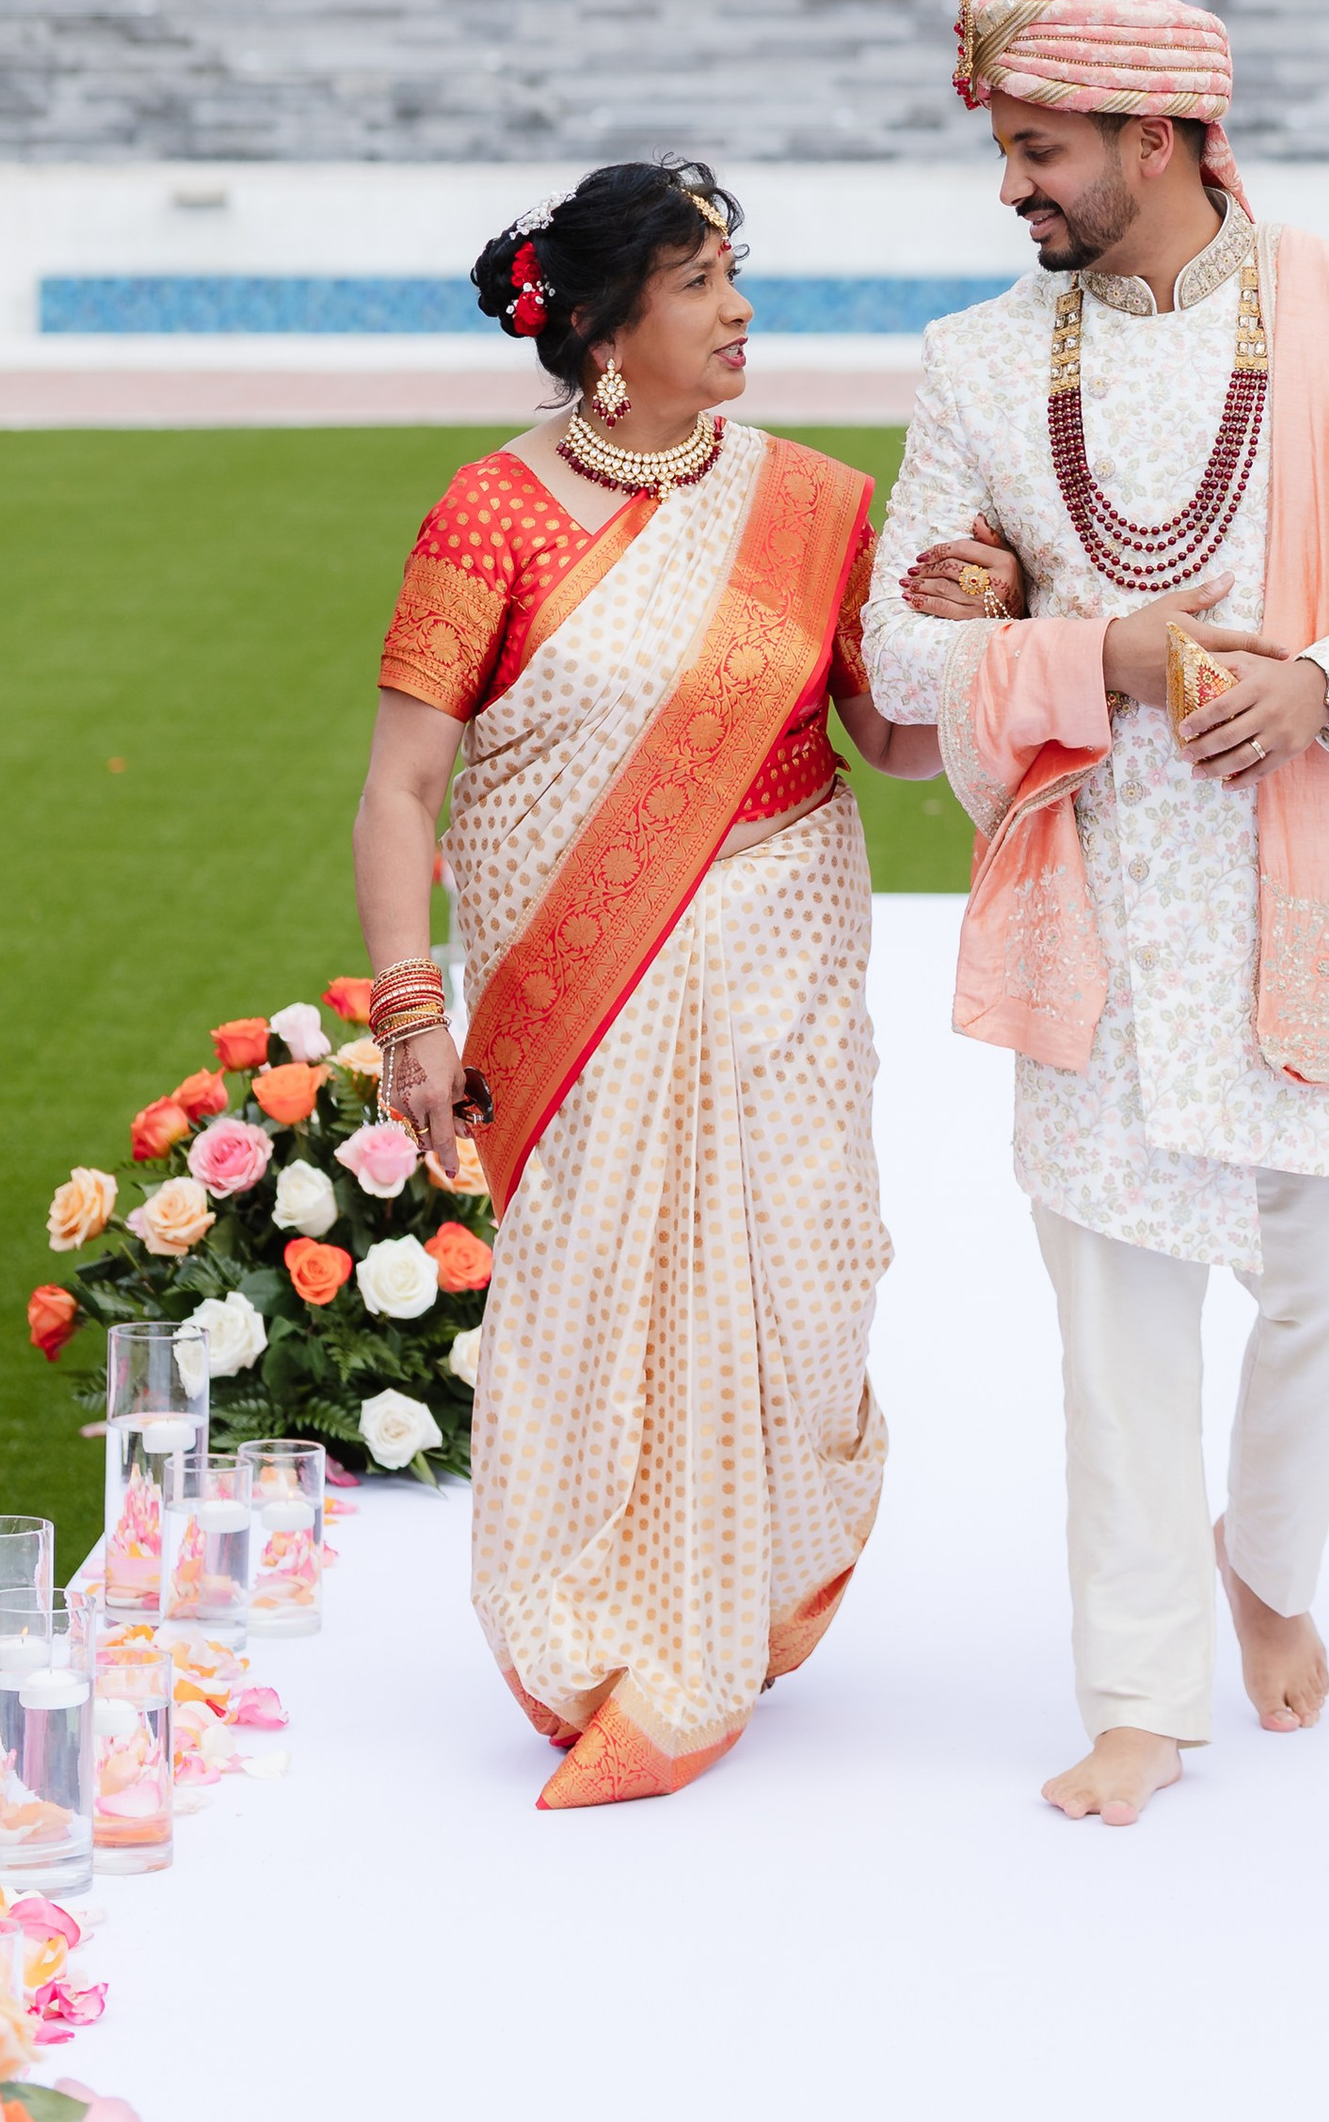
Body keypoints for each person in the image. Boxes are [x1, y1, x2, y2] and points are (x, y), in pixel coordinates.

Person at [865, 0, 1329, 1828]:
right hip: (1102, 904)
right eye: (1008, 149)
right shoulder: (982, 363)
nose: (1013, 188)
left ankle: (1269, 1555)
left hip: (1324, 882)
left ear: (1152, 138)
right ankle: (1143, 1698)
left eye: (1038, 151)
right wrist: (1105, 655)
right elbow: (900, 656)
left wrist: (1328, 683)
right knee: (1119, 1332)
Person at [354, 157, 940, 1808]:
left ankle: (745, 1596)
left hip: (788, 959)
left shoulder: (812, 505)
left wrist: (987, 632)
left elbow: (890, 739)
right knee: (598, 1301)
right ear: (608, 333)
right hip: (585, 985)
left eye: (735, 273)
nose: (740, 308)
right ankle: (612, 1642)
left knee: (807, 1284)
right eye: (699, 283)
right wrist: (410, 1011)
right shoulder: (490, 514)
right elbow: (403, 786)